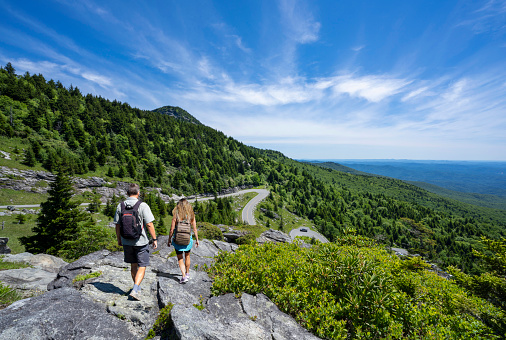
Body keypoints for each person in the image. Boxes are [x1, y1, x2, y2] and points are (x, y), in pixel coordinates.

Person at [114, 183, 157, 300]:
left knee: (133, 265)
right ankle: (136, 288)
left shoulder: (120, 206)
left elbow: (117, 225)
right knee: (142, 265)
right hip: (141, 241)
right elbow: (149, 224)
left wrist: (119, 239)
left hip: (127, 241)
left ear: (127, 193)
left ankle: (136, 288)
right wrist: (154, 239)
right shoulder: (142, 205)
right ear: (138, 193)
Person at [169, 198, 199, 284]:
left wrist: (169, 239)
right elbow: (195, 229)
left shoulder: (176, 215)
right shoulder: (191, 215)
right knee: (187, 256)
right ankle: (187, 273)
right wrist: (197, 240)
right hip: (187, 240)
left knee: (180, 258)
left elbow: (171, 230)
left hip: (177, 239)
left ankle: (183, 276)